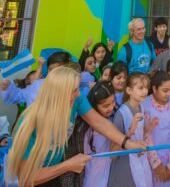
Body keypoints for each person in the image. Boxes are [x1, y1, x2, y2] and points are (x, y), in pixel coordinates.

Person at [6, 67, 146, 186]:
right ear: (59, 94)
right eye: (74, 90)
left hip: (55, 175)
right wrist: (68, 165)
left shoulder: (76, 99)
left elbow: (99, 122)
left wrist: (127, 143)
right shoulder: (31, 122)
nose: (79, 93)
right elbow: (26, 178)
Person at [108, 73, 156, 187]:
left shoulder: (141, 107)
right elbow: (112, 153)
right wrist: (129, 133)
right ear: (129, 90)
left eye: (146, 87)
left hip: (140, 164)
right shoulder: (121, 114)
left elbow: (139, 136)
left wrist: (148, 128)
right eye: (140, 88)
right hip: (125, 169)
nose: (145, 91)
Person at [143, 71, 170, 187]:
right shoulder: (145, 106)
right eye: (165, 91)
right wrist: (156, 164)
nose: (168, 94)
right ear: (154, 89)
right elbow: (146, 137)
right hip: (150, 159)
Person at [83, 81, 116, 187]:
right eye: (106, 106)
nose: (111, 108)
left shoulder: (109, 120)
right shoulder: (88, 128)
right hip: (92, 177)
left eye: (113, 102)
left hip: (106, 174)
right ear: (94, 105)